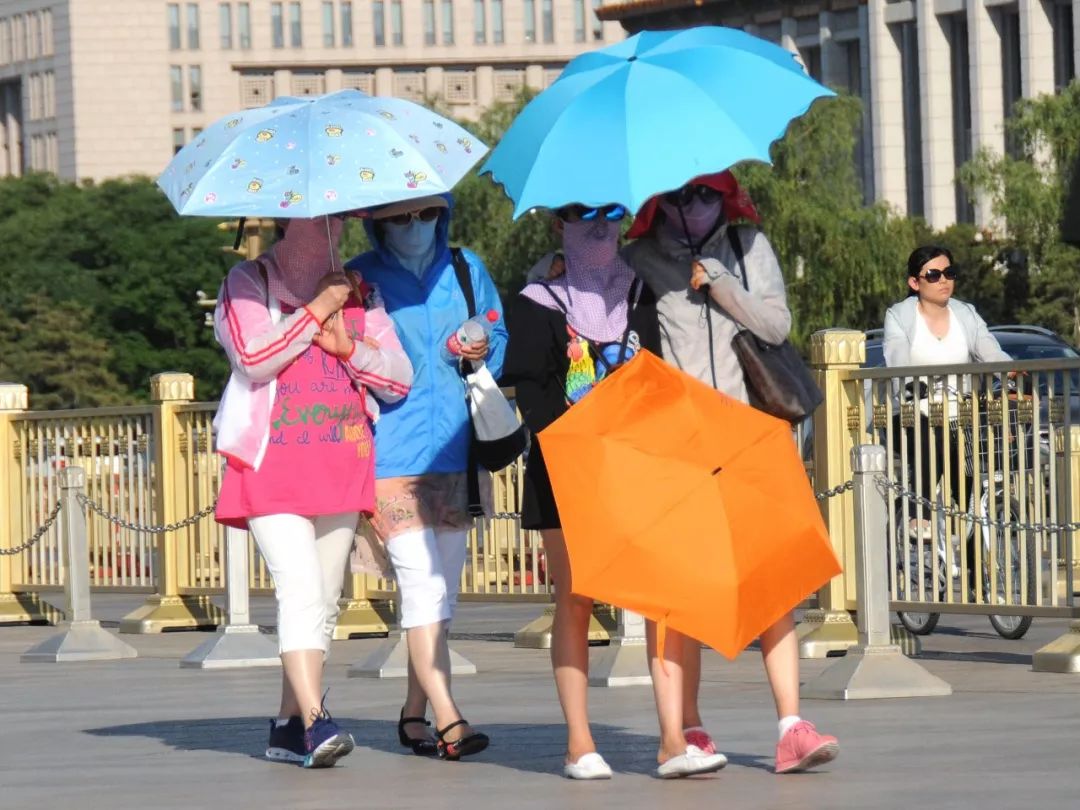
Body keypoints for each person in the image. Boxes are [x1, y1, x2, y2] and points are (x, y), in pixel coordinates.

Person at [622, 171, 839, 775]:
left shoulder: (749, 248)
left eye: (707, 194)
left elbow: (776, 326)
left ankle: (792, 725)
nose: (695, 206)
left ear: (726, 197)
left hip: (752, 436)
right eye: (681, 196)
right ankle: (688, 725)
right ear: (660, 203)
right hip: (681, 446)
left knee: (774, 585)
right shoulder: (638, 261)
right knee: (683, 595)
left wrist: (720, 284)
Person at [503, 202, 727, 780]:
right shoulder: (534, 305)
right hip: (566, 473)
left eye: (611, 213)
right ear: (558, 224)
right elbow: (534, 396)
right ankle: (579, 741)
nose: (599, 227)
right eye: (583, 215)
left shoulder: (637, 293)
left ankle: (673, 738)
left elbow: (652, 380)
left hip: (637, 469)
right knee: (576, 600)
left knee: (661, 601)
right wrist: (587, 442)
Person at [213, 216, 413, 768]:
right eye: (316, 217)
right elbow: (253, 358)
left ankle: (287, 726)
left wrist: (352, 349)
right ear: (285, 219)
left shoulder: (360, 291)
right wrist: (317, 310)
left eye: (336, 217)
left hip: (341, 464)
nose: (329, 228)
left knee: (323, 600)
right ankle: (317, 719)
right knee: (299, 591)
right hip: (269, 467)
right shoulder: (248, 281)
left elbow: (399, 378)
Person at [345, 195, 504, 761]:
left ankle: (413, 713)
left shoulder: (467, 269)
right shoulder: (358, 280)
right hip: (389, 455)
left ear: (445, 214)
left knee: (444, 593)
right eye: (399, 217)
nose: (415, 227)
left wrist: (482, 349)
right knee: (422, 585)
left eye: (427, 214)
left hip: (457, 452)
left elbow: (498, 340)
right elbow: (346, 359)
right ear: (375, 222)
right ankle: (448, 716)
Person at [882, 245, 1010, 560]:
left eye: (949, 273)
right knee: (930, 437)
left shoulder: (965, 313)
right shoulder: (899, 315)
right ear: (915, 282)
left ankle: (975, 572)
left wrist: (1011, 373)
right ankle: (918, 513)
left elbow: (989, 350)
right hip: (913, 412)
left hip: (959, 414)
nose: (944, 281)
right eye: (934, 274)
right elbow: (896, 359)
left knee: (967, 487)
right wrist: (910, 382)